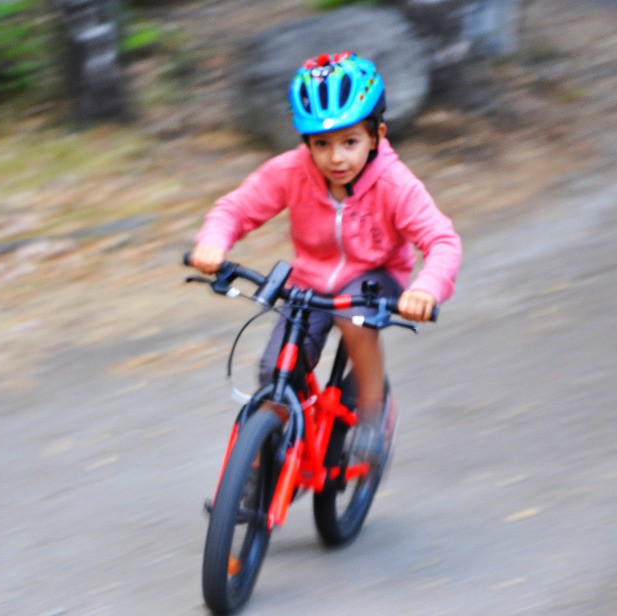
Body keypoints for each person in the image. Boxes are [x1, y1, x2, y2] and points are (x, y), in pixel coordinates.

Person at [189, 52, 461, 461]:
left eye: (350, 142)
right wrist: (214, 241)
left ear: (377, 135)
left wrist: (426, 289)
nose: (336, 158)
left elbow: (441, 240)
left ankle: (372, 414)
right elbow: (236, 207)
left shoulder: (394, 183)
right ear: (305, 143)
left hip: (375, 275)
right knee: (275, 369)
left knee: (353, 321)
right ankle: (258, 466)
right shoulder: (291, 171)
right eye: (321, 144)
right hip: (310, 279)